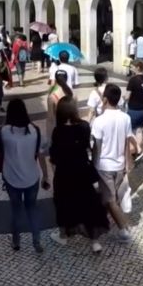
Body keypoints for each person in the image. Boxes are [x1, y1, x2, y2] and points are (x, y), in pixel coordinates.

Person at [49, 96, 109, 252]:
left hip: (64, 173)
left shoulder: (58, 131)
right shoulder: (84, 126)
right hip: (82, 170)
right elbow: (87, 147)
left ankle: (63, 235)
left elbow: (54, 156)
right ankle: (94, 241)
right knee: (88, 203)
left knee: (63, 203)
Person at [0, 100, 49, 253]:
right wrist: (45, 176)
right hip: (32, 178)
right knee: (32, 209)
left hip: (11, 179)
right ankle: (36, 241)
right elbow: (41, 155)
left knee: (16, 210)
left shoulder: (3, 132)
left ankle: (16, 241)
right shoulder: (35, 131)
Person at [91, 84, 134, 241]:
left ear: (105, 99)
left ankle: (124, 229)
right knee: (109, 197)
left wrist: (94, 164)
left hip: (104, 166)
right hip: (120, 165)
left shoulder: (99, 121)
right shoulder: (126, 118)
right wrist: (128, 162)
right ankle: (100, 223)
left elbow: (97, 146)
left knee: (110, 199)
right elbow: (126, 142)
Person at [124, 59, 143, 156]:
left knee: (130, 130)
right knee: (139, 130)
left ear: (137, 67)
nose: (130, 68)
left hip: (134, 109)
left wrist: (124, 99)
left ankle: (137, 150)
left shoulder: (133, 80)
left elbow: (127, 96)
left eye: (132, 67)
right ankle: (137, 151)